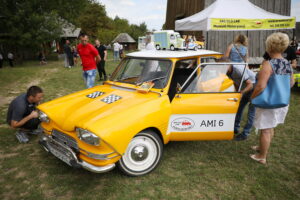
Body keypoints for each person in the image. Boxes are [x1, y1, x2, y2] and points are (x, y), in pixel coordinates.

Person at [250, 32, 294, 164]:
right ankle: (261, 147)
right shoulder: (287, 63)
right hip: (282, 101)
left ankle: (261, 156)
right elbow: (291, 83)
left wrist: (252, 97)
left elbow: (260, 86)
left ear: (269, 46)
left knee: (266, 130)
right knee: (270, 126)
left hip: (268, 102)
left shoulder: (268, 64)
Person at [227, 64, 256, 141]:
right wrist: (237, 93)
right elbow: (235, 82)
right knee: (239, 107)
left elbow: (250, 85)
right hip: (246, 87)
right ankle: (235, 128)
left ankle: (245, 134)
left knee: (251, 112)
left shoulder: (238, 70)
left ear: (228, 65)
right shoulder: (227, 71)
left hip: (254, 87)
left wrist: (241, 93)